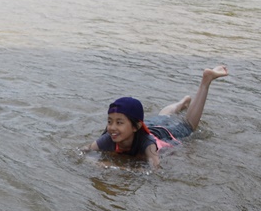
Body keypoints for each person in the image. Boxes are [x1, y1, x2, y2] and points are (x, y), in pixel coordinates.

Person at [87, 66, 229, 170]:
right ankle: (181, 103)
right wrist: (98, 163)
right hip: (149, 124)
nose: (112, 127)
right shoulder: (110, 137)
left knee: (188, 125)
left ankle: (206, 81)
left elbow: (155, 169)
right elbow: (82, 152)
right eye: (109, 121)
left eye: (119, 122)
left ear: (135, 127)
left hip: (164, 133)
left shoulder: (147, 144)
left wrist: (119, 167)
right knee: (163, 116)